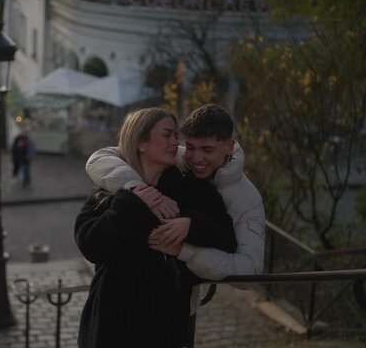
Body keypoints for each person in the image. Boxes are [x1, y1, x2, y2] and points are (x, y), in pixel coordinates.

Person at [75, 107, 237, 348]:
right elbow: (90, 244)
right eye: (167, 135)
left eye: (176, 136)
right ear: (141, 142)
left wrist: (191, 225)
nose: (175, 142)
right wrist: (133, 201)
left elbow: (228, 240)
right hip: (111, 325)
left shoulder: (194, 191)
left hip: (163, 326)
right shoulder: (110, 191)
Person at [85, 104, 265, 281]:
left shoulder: (246, 198)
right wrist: (136, 189)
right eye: (190, 147)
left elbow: (248, 270)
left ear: (229, 147)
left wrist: (185, 243)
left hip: (174, 304)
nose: (195, 158)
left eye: (207, 150)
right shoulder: (174, 158)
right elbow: (102, 158)